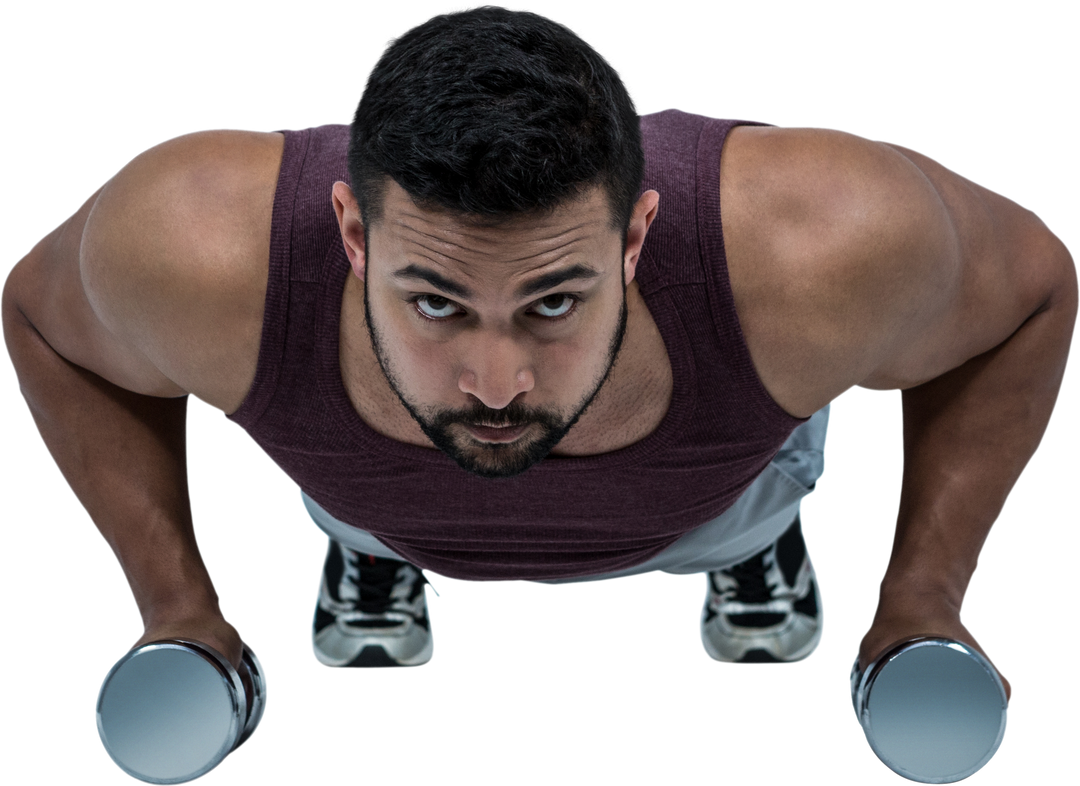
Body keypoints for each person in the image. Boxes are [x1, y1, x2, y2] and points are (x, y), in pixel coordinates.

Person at [3, 0, 1075, 720]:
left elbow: (1031, 292)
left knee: (745, 502)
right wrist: (174, 607)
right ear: (353, 235)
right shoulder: (194, 249)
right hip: (365, 498)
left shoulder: (820, 246)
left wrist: (926, 596)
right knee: (354, 503)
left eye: (554, 300)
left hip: (716, 498)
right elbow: (44, 324)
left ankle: (753, 548)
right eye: (435, 301)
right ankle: (375, 549)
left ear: (636, 238)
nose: (496, 382)